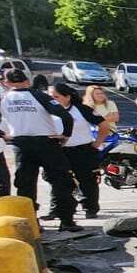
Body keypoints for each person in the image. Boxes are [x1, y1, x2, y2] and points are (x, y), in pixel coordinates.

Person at [0, 68, 79, 231]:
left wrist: (2, 134)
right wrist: (65, 135)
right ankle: (66, 220)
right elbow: (66, 116)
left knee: (25, 185)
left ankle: (31, 222)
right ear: (27, 81)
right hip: (46, 142)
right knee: (61, 181)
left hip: (20, 144)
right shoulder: (39, 95)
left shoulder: (2, 98)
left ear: (6, 83)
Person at [49, 82, 102, 219]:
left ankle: (90, 208)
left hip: (82, 150)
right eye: (51, 97)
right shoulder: (49, 110)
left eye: (56, 96)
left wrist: (97, 143)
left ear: (67, 97)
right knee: (59, 181)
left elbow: (104, 125)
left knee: (87, 181)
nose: (53, 100)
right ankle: (57, 209)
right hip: (60, 150)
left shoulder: (81, 109)